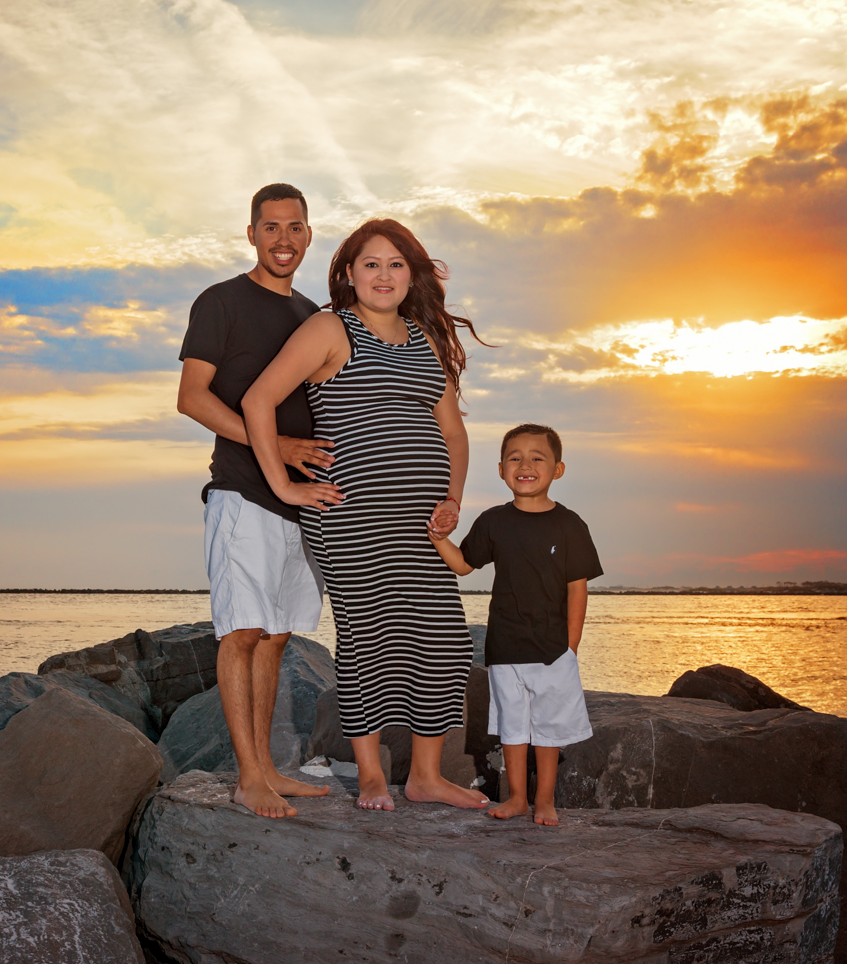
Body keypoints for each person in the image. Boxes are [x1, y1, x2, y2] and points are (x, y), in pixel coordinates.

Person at [242, 218, 489, 812]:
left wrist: (452, 498)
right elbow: (257, 400)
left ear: (413, 275)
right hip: (351, 520)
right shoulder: (330, 329)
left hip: (419, 524)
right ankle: (374, 775)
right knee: (369, 638)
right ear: (349, 273)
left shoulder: (426, 339)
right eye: (371, 263)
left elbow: (453, 434)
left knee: (443, 641)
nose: (384, 274)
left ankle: (426, 776)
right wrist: (286, 484)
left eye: (396, 264)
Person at [176, 183, 339, 819]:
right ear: (252, 234)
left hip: (305, 503)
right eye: (271, 228)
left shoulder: (311, 315)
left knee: (276, 637)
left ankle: (270, 768)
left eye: (295, 228)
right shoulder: (221, 301)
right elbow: (192, 397)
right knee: (242, 632)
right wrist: (281, 444)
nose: (283, 240)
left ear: (308, 234)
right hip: (243, 493)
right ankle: (248, 778)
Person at [429, 423, 602, 825]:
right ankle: (517, 798)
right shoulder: (493, 522)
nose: (525, 465)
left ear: (557, 469)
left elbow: (578, 590)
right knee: (513, 727)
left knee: (548, 730)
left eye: (537, 458)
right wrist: (439, 538)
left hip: (553, 650)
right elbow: (464, 566)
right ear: (502, 470)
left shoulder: (570, 525)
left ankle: (545, 799)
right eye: (514, 458)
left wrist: (570, 646)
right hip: (505, 647)